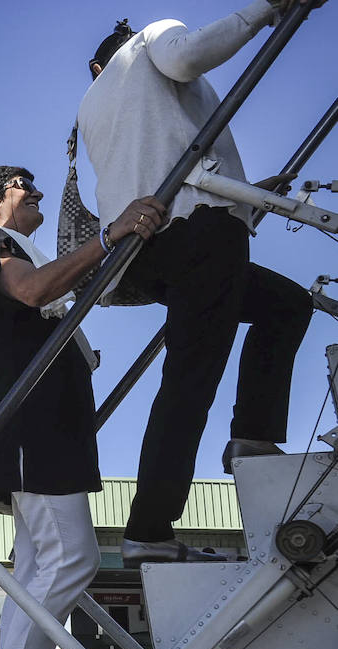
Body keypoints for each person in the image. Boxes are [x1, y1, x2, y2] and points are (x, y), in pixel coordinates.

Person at [79, 0, 315, 566]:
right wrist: (267, 9)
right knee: (192, 379)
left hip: (148, 248)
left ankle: (249, 437)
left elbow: (154, 163)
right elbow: (185, 59)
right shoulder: (150, 40)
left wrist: (244, 190)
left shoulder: (91, 105)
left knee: (283, 304)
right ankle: (151, 525)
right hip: (202, 232)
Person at [0, 167, 165, 649]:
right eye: (26, 184)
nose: (41, 191)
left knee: (40, 568)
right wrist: (112, 233)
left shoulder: (15, 246)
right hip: (31, 433)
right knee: (70, 556)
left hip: (45, 433)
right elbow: (32, 290)